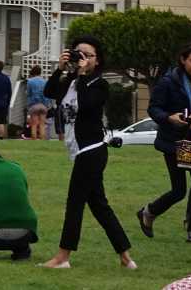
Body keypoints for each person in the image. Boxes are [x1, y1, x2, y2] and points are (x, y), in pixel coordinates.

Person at [40, 36, 136, 270]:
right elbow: (49, 91)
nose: (81, 58)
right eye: (78, 53)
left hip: (92, 150)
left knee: (75, 203)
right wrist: (60, 69)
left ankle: (63, 257)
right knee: (99, 205)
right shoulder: (70, 81)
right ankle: (126, 258)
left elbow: (86, 105)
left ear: (97, 60)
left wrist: (82, 75)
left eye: (87, 55)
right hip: (80, 150)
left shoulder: (99, 84)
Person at [139, 43, 191, 243]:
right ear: (183, 60)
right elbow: (154, 109)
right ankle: (149, 212)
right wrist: (169, 117)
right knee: (179, 190)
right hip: (173, 140)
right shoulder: (168, 82)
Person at [24, 65, 50, 140]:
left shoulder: (30, 81)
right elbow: (47, 94)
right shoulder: (45, 81)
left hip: (34, 105)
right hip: (43, 105)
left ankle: (34, 142)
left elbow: (28, 93)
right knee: (42, 125)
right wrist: (47, 105)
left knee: (34, 125)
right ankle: (42, 141)